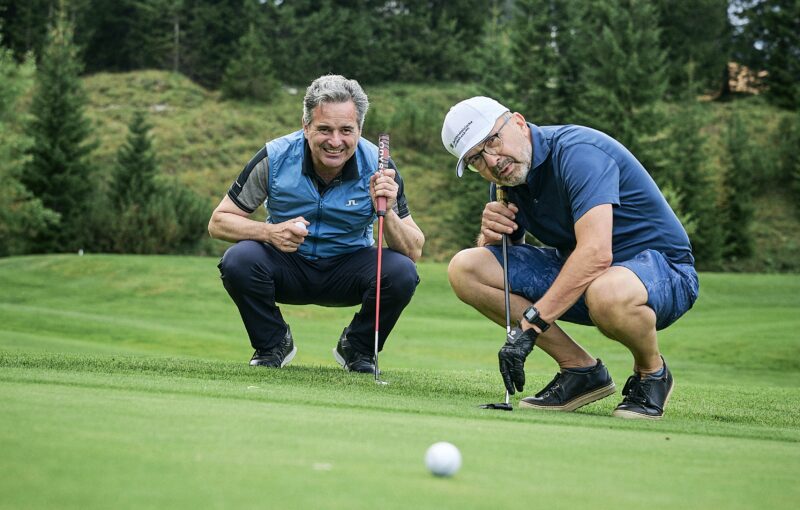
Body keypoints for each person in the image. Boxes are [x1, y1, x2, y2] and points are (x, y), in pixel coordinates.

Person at [440, 96, 698, 419]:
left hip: (665, 271)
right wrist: (492, 238)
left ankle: (652, 373)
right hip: (591, 280)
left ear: (518, 123)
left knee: (607, 292)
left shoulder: (578, 154)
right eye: (478, 158)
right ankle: (581, 371)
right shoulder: (507, 181)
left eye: (493, 140)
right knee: (466, 268)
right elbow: (510, 258)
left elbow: (596, 253)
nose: (492, 161)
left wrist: (530, 328)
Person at [209, 74, 424, 373]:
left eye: (346, 130)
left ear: (360, 129)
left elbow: (413, 251)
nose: (335, 141)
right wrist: (270, 232)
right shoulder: (275, 156)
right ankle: (272, 343)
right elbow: (218, 222)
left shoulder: (379, 165)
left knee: (401, 272)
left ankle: (358, 348)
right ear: (305, 125)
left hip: (348, 268)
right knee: (239, 260)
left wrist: (386, 212)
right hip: (288, 263)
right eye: (324, 129)